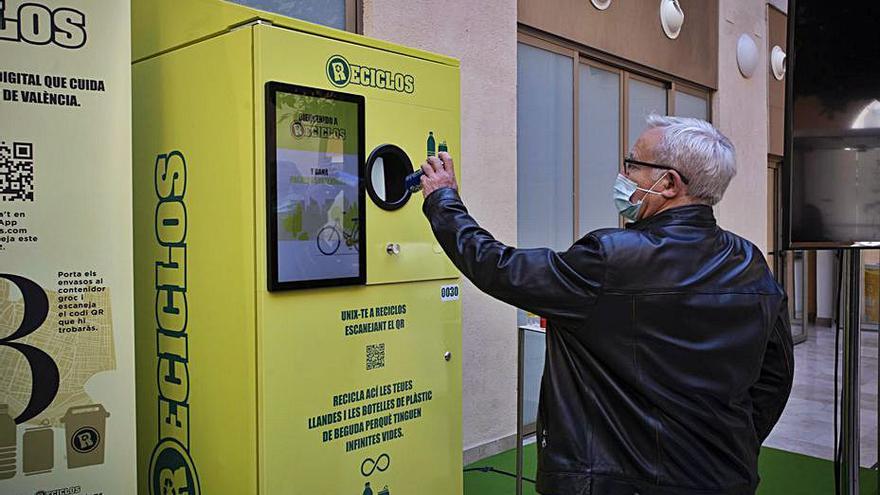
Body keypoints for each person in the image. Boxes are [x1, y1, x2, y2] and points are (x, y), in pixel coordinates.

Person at [418, 115, 794, 494]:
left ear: (668, 184)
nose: (624, 174)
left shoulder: (611, 259)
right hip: (722, 478)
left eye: (633, 164)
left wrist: (443, 200)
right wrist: (732, 445)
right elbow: (775, 376)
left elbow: (499, 268)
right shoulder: (750, 261)